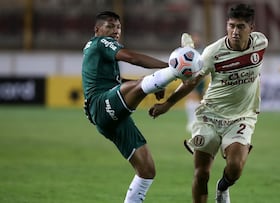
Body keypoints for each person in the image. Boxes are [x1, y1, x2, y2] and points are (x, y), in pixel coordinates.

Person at [149, 4, 268, 203]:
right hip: (210, 116)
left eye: (240, 27)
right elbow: (192, 82)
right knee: (201, 174)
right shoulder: (213, 53)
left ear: (251, 28)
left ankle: (222, 188)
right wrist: (167, 105)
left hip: (243, 116)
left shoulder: (261, 43)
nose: (234, 32)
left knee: (236, 168)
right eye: (231, 26)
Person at [81, 11, 180, 203]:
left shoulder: (95, 50)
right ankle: (175, 71)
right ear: (97, 29)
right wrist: (171, 69)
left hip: (111, 118)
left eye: (118, 27)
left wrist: (152, 85)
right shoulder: (101, 42)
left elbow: (117, 82)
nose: (115, 30)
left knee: (147, 171)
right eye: (110, 26)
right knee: (142, 84)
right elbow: (133, 58)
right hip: (102, 104)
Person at [182, 32, 207, 132]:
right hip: (191, 77)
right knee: (192, 96)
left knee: (200, 99)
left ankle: (199, 121)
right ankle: (191, 121)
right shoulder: (188, 51)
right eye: (194, 38)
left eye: (197, 38)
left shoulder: (203, 51)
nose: (196, 40)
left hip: (201, 77)